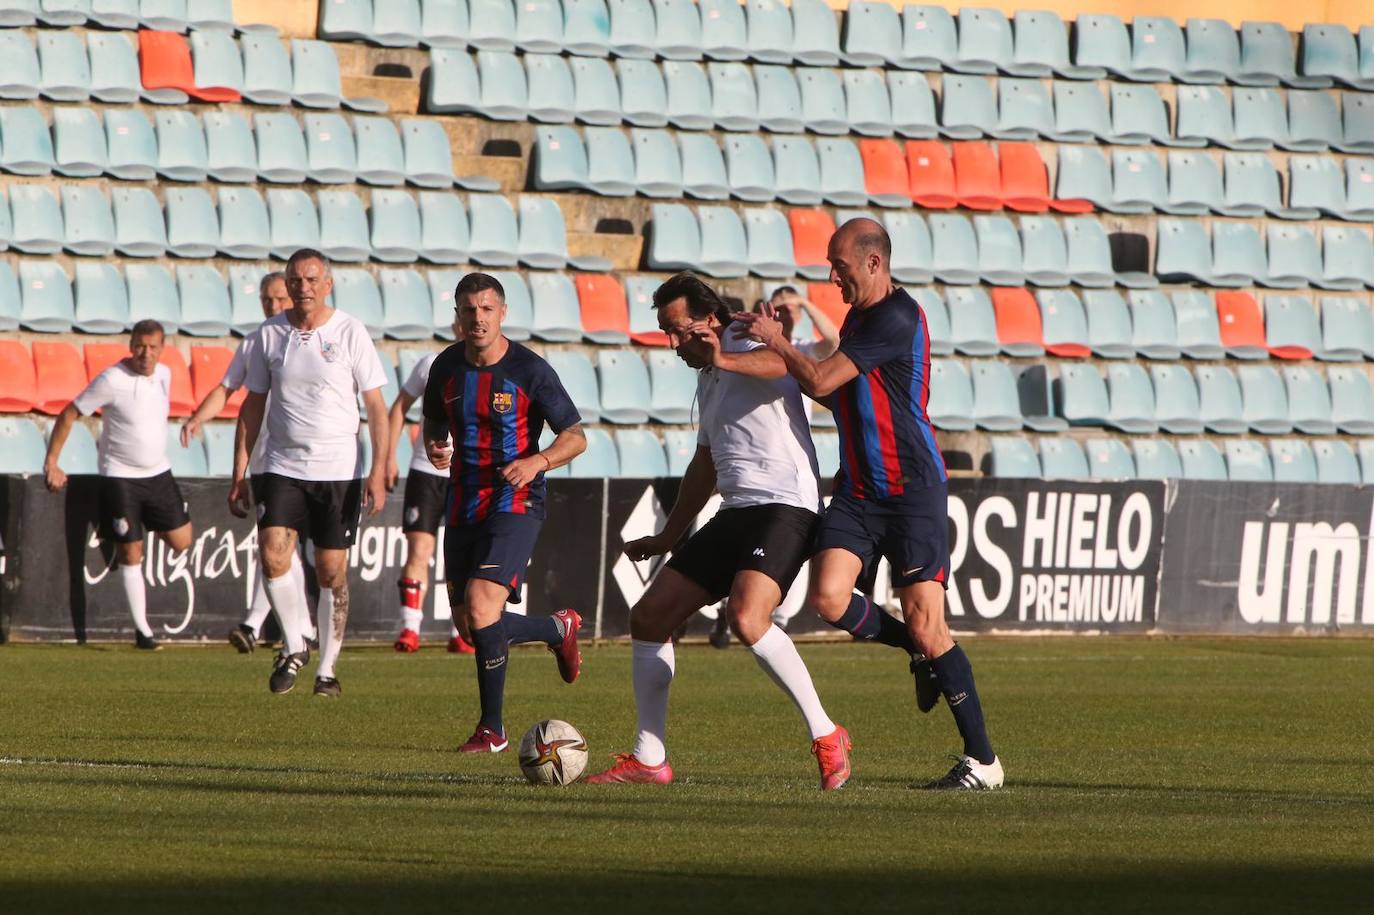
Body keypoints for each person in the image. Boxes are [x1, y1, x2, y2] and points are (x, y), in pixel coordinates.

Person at [733, 218, 1004, 791]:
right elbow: (833, 390)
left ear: (874, 263)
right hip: (859, 488)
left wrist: (778, 341)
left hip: (910, 492)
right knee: (830, 599)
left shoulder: (896, 316)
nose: (833, 278)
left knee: (931, 625)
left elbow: (826, 380)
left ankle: (983, 760)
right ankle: (919, 652)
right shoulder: (861, 315)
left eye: (841, 266)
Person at [586, 274, 850, 791]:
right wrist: (668, 537)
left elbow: (787, 366)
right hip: (736, 510)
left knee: (747, 617)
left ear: (709, 321)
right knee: (649, 615)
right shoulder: (707, 373)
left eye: (678, 331)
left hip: (785, 505)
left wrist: (722, 357)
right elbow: (704, 466)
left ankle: (827, 734)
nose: (671, 343)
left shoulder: (745, 338)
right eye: (665, 332)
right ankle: (650, 758)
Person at [421, 272, 587, 753]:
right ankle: (558, 628)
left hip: (516, 500)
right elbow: (435, 417)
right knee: (471, 626)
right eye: (469, 310)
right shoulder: (446, 366)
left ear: (502, 313)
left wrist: (538, 461)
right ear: (458, 315)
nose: (478, 318)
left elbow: (575, 436)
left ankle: (492, 730)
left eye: (486, 309)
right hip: (462, 500)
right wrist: (437, 443)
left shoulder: (530, 370)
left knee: (481, 604)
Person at [233, 249, 390, 698]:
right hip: (280, 464)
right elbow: (253, 404)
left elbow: (376, 407)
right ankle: (294, 643)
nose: (302, 287)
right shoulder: (269, 334)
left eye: (311, 279)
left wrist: (378, 471)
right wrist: (239, 469)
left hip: (338, 470)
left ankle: (327, 669)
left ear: (328, 285)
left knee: (330, 571)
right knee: (273, 553)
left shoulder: (349, 331)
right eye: (295, 280)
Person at [181, 272, 316, 654]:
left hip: (309, 460)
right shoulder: (258, 341)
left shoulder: (312, 339)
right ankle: (294, 629)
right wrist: (197, 417)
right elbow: (226, 388)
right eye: (266, 300)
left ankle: (264, 626)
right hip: (267, 460)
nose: (273, 307)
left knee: (283, 546)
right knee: (278, 545)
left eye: (279, 300)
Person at [43, 320, 193, 650]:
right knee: (131, 551)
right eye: (140, 345)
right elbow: (70, 413)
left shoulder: (165, 375)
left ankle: (132, 526)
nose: (146, 353)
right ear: (130, 346)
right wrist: (52, 461)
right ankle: (143, 631)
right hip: (120, 475)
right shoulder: (113, 379)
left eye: (153, 347)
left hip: (158, 474)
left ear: (162, 349)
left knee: (183, 541)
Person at [385, 314, 474, 655]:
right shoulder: (431, 364)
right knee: (419, 550)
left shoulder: (487, 370)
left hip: (466, 472)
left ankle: (461, 632)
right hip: (425, 470)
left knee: (464, 553)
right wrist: (388, 458)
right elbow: (399, 407)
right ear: (455, 326)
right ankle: (410, 629)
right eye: (462, 319)